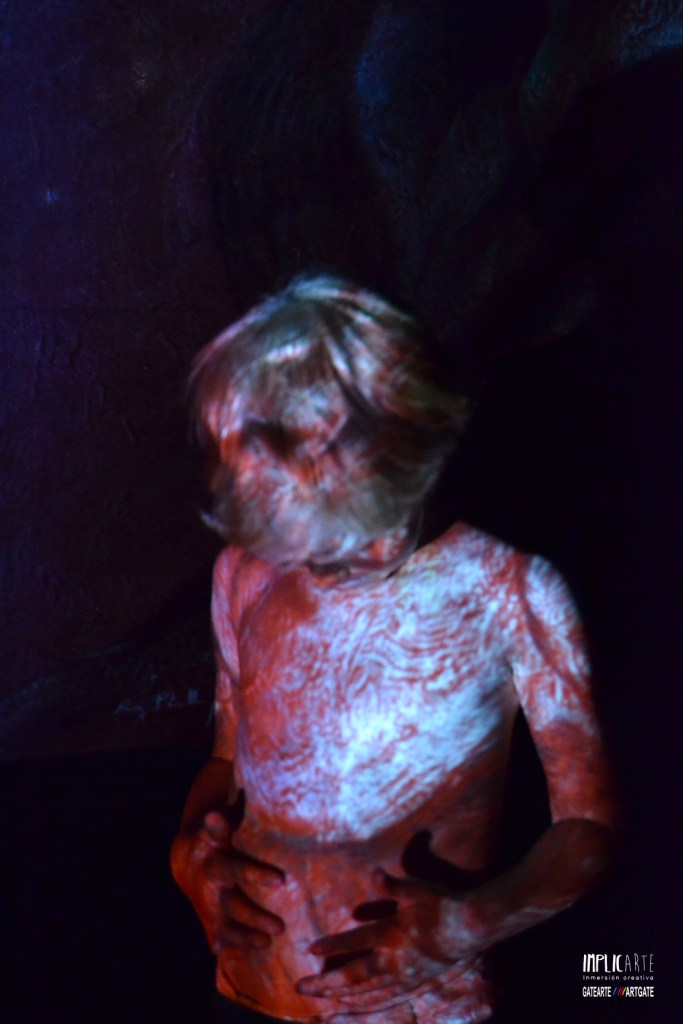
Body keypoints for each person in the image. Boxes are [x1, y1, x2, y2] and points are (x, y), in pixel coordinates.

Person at [171, 274, 615, 1024]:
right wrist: (187, 856)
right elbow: (226, 761)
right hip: (249, 990)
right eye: (307, 546)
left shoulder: (513, 593)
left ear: (421, 454)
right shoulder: (243, 573)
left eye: (365, 527)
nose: (335, 564)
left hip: (420, 1009)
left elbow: (590, 830)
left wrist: (469, 923)